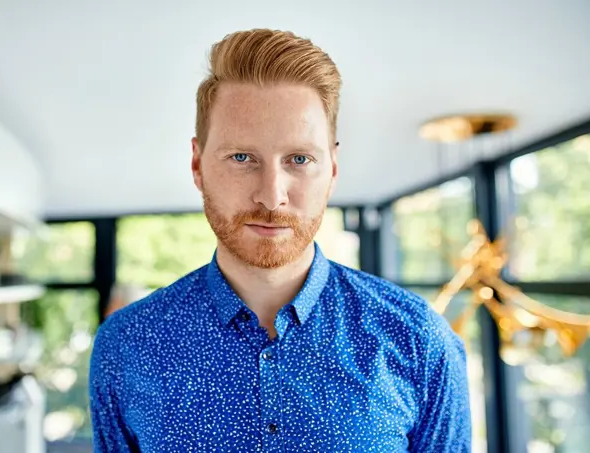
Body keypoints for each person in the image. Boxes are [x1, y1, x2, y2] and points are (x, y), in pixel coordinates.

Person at [89, 28, 471, 452]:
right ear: (197, 166)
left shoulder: (418, 338)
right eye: (241, 158)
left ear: (333, 169)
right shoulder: (125, 345)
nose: (272, 195)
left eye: (300, 159)